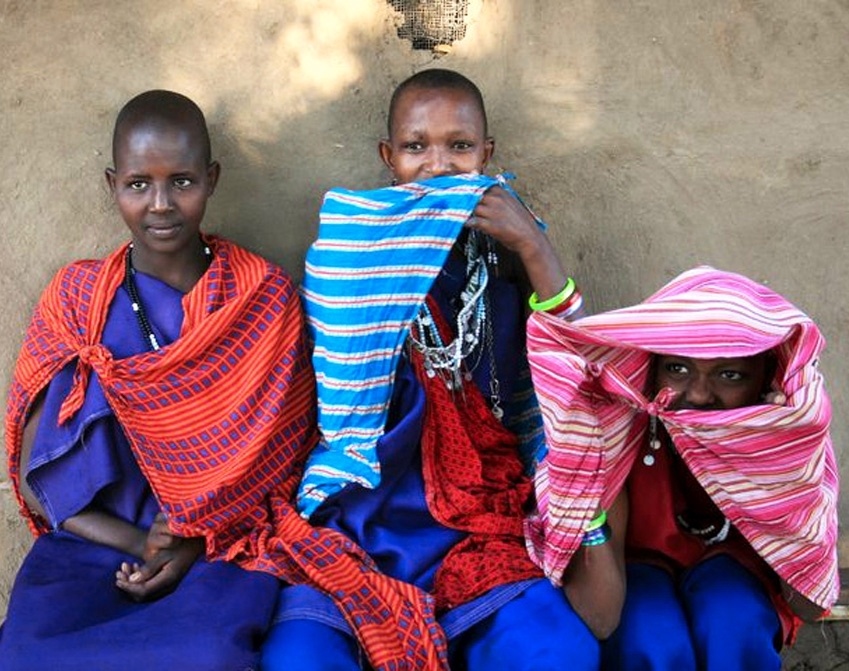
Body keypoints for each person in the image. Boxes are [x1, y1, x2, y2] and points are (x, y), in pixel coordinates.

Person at [261, 69, 610, 670]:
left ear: (488, 155)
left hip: (477, 526)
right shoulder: (350, 249)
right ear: (387, 157)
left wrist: (533, 246)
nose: (439, 165)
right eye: (416, 147)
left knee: (560, 654)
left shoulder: (502, 262)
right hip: (362, 511)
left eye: (461, 147)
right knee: (300, 660)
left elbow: (578, 368)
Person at [0, 90, 319, 670]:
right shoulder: (78, 304)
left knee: (205, 656)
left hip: (222, 550)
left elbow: (282, 460)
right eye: (138, 185)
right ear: (112, 185)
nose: (161, 204)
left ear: (211, 179)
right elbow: (39, 478)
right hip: (93, 548)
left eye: (182, 181)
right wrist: (141, 544)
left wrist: (190, 543)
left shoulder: (260, 298)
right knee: (23, 658)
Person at [524, 266, 839, 670]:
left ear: (765, 376)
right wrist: (581, 487)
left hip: (733, 565)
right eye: (677, 368)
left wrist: (780, 467)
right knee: (649, 639)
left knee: (733, 623)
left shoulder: (782, 439)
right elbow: (601, 619)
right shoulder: (617, 436)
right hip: (636, 566)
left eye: (730, 374)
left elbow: (810, 605)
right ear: (651, 366)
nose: (698, 394)